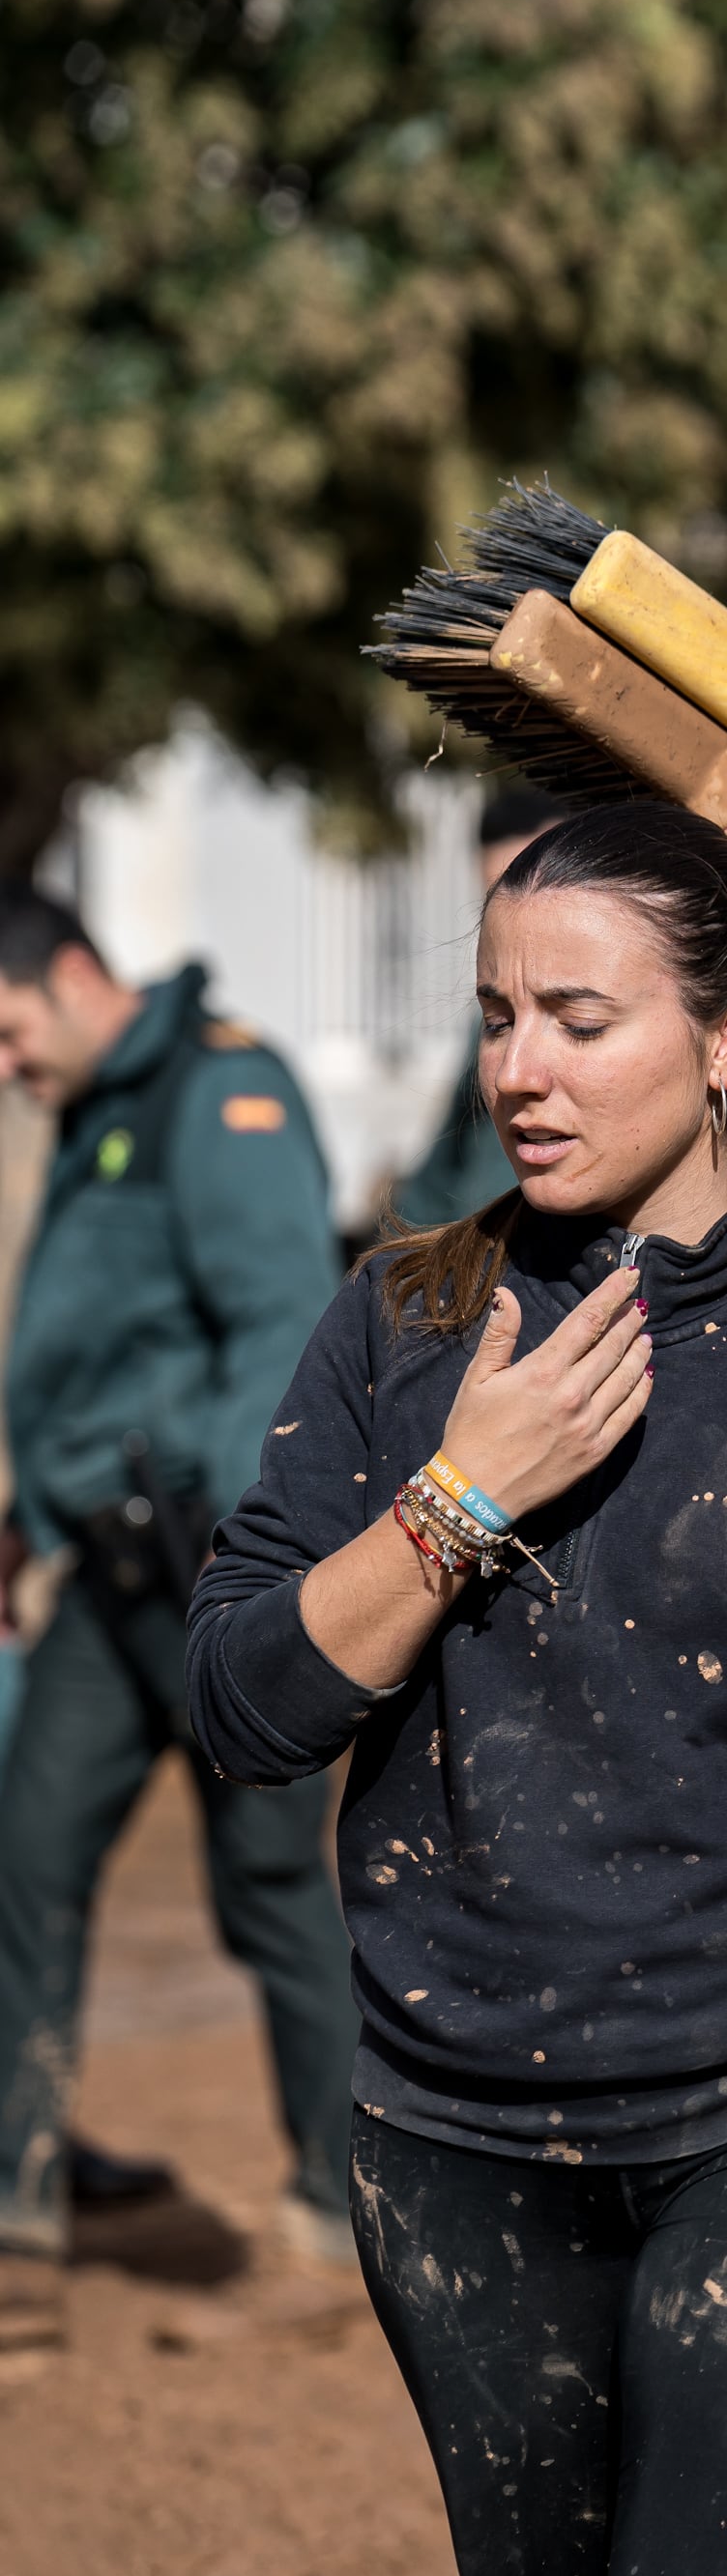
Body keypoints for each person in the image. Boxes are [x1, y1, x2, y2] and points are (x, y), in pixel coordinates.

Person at [186, 803, 727, 2576]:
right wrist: (455, 1501)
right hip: (457, 2124)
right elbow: (247, 1707)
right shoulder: (408, 1323)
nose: (521, 1069)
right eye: (499, 1017)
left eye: (583, 1020)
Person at [0, 884, 353, 2347]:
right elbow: (97, 1346)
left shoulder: (223, 1090)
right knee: (27, 1856)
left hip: (214, 1573)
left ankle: (338, 2227)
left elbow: (279, 1322)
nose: (5, 1061)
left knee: (273, 1893)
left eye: (9, 1027)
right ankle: (15, 2208)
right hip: (99, 1571)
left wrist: (251, 1558)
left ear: (75, 977)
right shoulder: (102, 1102)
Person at [386, 780, 572, 1234]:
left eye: (584, 1027)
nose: (514, 1076)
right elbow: (440, 1170)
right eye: (497, 896)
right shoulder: (485, 1023)